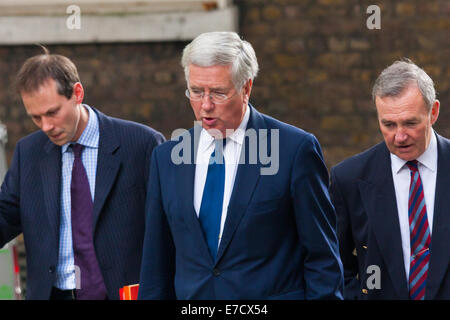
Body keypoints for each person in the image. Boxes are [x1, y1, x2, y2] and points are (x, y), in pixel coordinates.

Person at [138, 31, 343, 300]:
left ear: (246, 88)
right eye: (196, 92)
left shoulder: (294, 150)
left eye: (218, 93)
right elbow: (156, 265)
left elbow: (322, 259)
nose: (205, 106)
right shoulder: (166, 158)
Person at [0, 49, 165, 299]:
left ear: (77, 93)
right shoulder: (29, 152)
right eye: (36, 117)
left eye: (53, 112)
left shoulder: (141, 144)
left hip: (121, 293)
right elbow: (5, 215)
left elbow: (169, 227)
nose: (46, 126)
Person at [330, 59, 450, 300]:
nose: (400, 136)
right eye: (389, 124)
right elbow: (332, 264)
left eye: (410, 123)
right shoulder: (349, 178)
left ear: (433, 112)